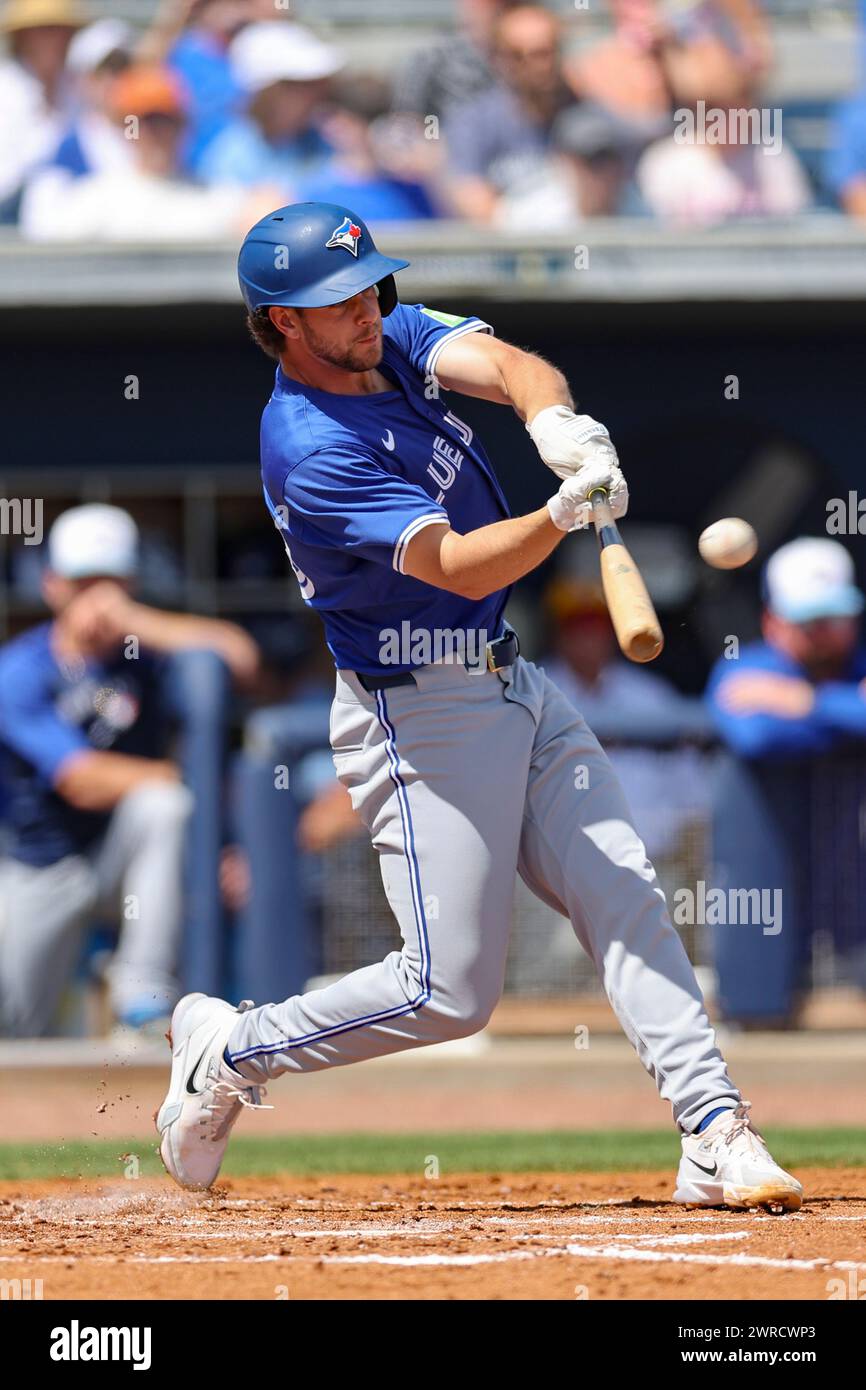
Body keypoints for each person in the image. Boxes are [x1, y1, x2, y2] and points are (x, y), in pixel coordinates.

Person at [155, 198, 802, 1217]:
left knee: (621, 888)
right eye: (335, 300)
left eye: (369, 284)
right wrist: (558, 512)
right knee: (446, 993)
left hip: (509, 678)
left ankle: (712, 1129)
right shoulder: (310, 443)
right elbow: (454, 568)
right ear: (282, 320)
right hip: (416, 714)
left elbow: (511, 367)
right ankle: (231, 1049)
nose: (365, 307)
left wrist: (555, 426)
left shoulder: (388, 337)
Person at [0, 505, 259, 1037]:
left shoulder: (144, 653)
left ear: (130, 585)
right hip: (39, 865)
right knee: (14, 1028)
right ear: (52, 586)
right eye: (82, 584)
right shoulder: (21, 669)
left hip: (124, 854)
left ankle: (140, 992)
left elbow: (241, 658)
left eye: (110, 585)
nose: (97, 601)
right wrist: (181, 778)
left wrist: (140, 622)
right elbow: (80, 779)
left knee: (165, 807)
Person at [707, 537, 866, 1024]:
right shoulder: (747, 665)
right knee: (760, 1024)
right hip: (778, 894)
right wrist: (848, 714)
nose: (821, 632)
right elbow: (753, 735)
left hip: (856, 894)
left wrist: (804, 704)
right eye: (807, 620)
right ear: (772, 620)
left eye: (831, 618)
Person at [20, 63, 263, 242]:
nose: (157, 133)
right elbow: (44, 240)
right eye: (146, 123)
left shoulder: (216, 197)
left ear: (184, 127)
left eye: (166, 121)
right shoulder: (99, 197)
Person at [442, 3, 582, 223]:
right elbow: (471, 199)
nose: (536, 65)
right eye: (518, 55)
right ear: (498, 58)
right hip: (506, 251)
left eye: (544, 52)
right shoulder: (473, 121)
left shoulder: (585, 112)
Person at [196, 21, 342, 196]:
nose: (316, 94)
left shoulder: (329, 142)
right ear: (265, 93)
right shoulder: (229, 157)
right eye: (299, 84)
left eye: (317, 83)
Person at [0, 0, 86, 219]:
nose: (56, 41)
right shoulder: (6, 89)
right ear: (22, 37)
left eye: (62, 31)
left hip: (67, 212)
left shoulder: (79, 89)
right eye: (46, 31)